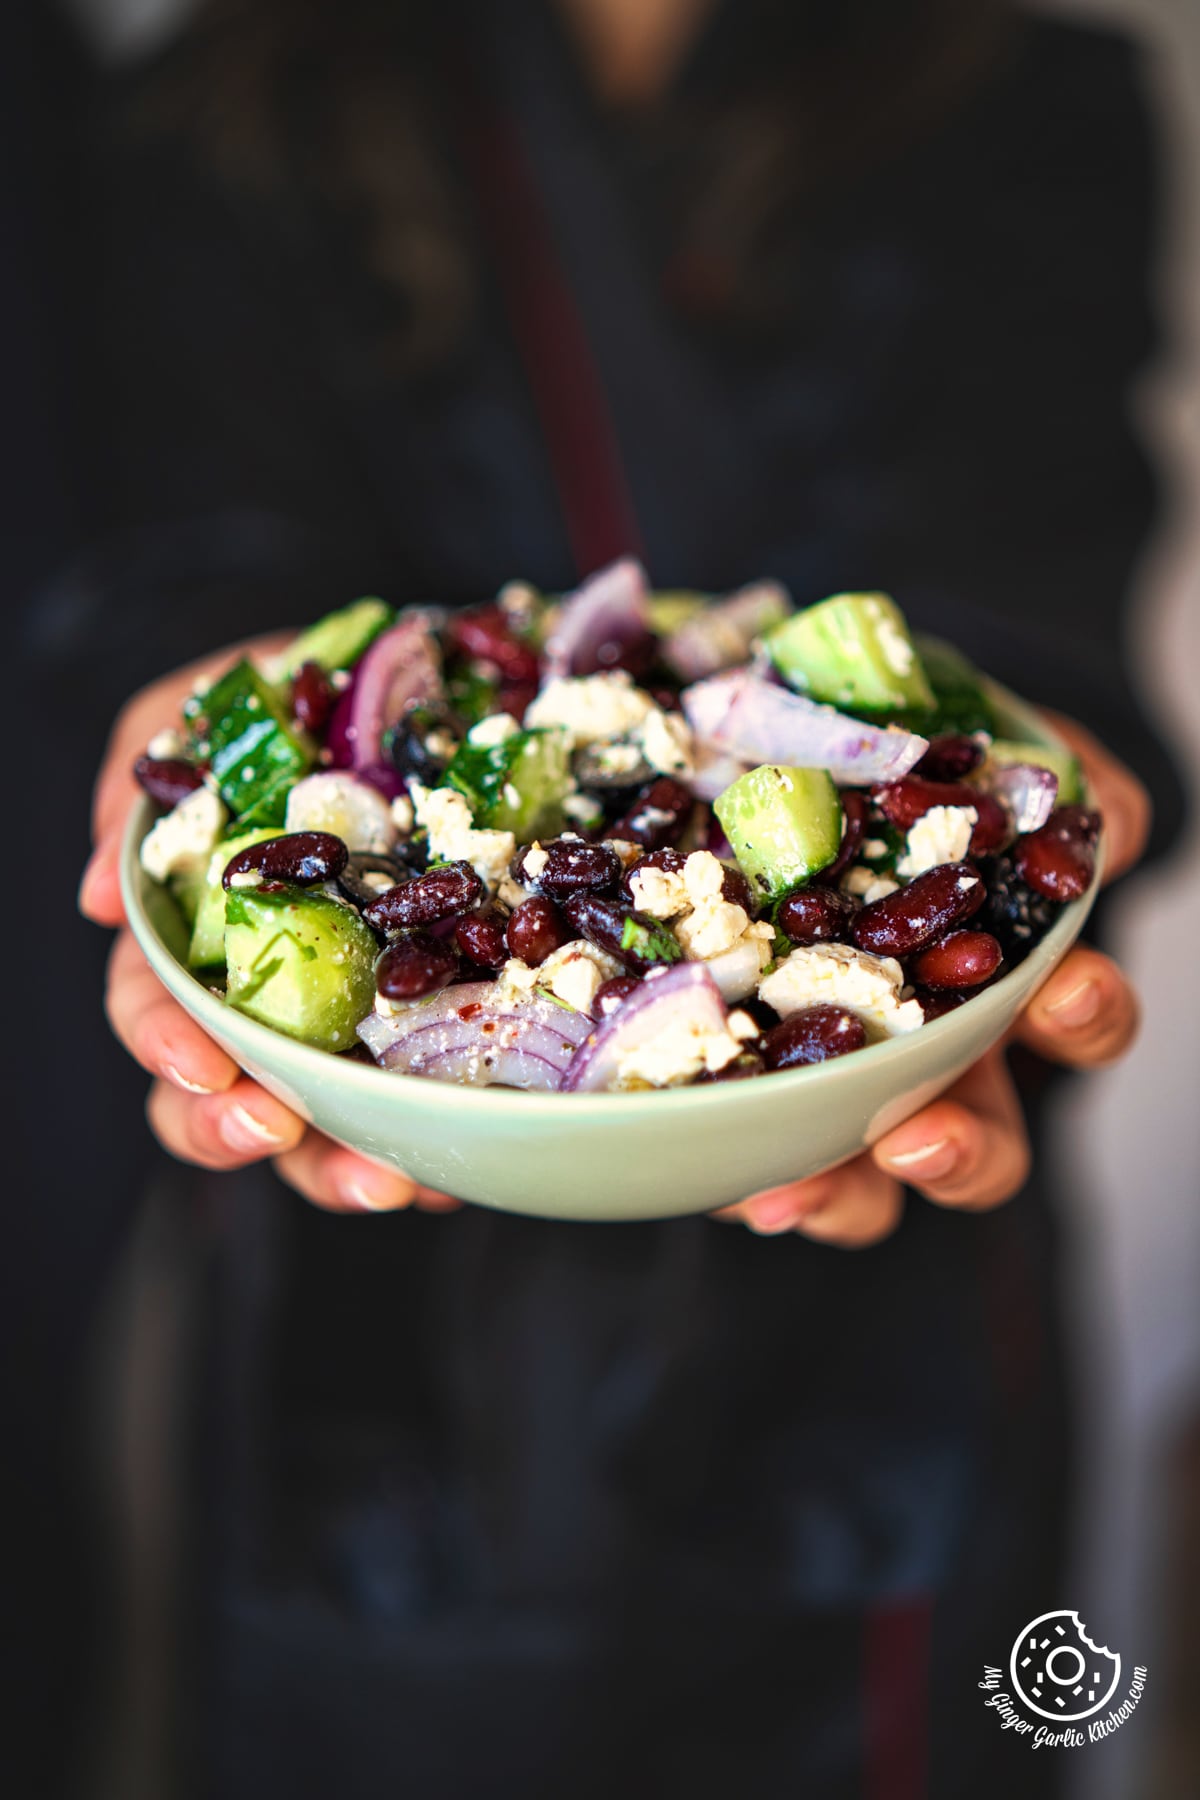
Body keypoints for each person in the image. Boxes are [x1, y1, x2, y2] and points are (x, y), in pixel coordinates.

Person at [74, 1, 1173, 1793]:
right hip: (379, 1306)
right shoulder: (219, 99)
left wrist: (1042, 775)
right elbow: (182, 553)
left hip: (891, 1261)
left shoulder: (1024, 86)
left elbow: (1030, 592)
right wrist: (185, 705)